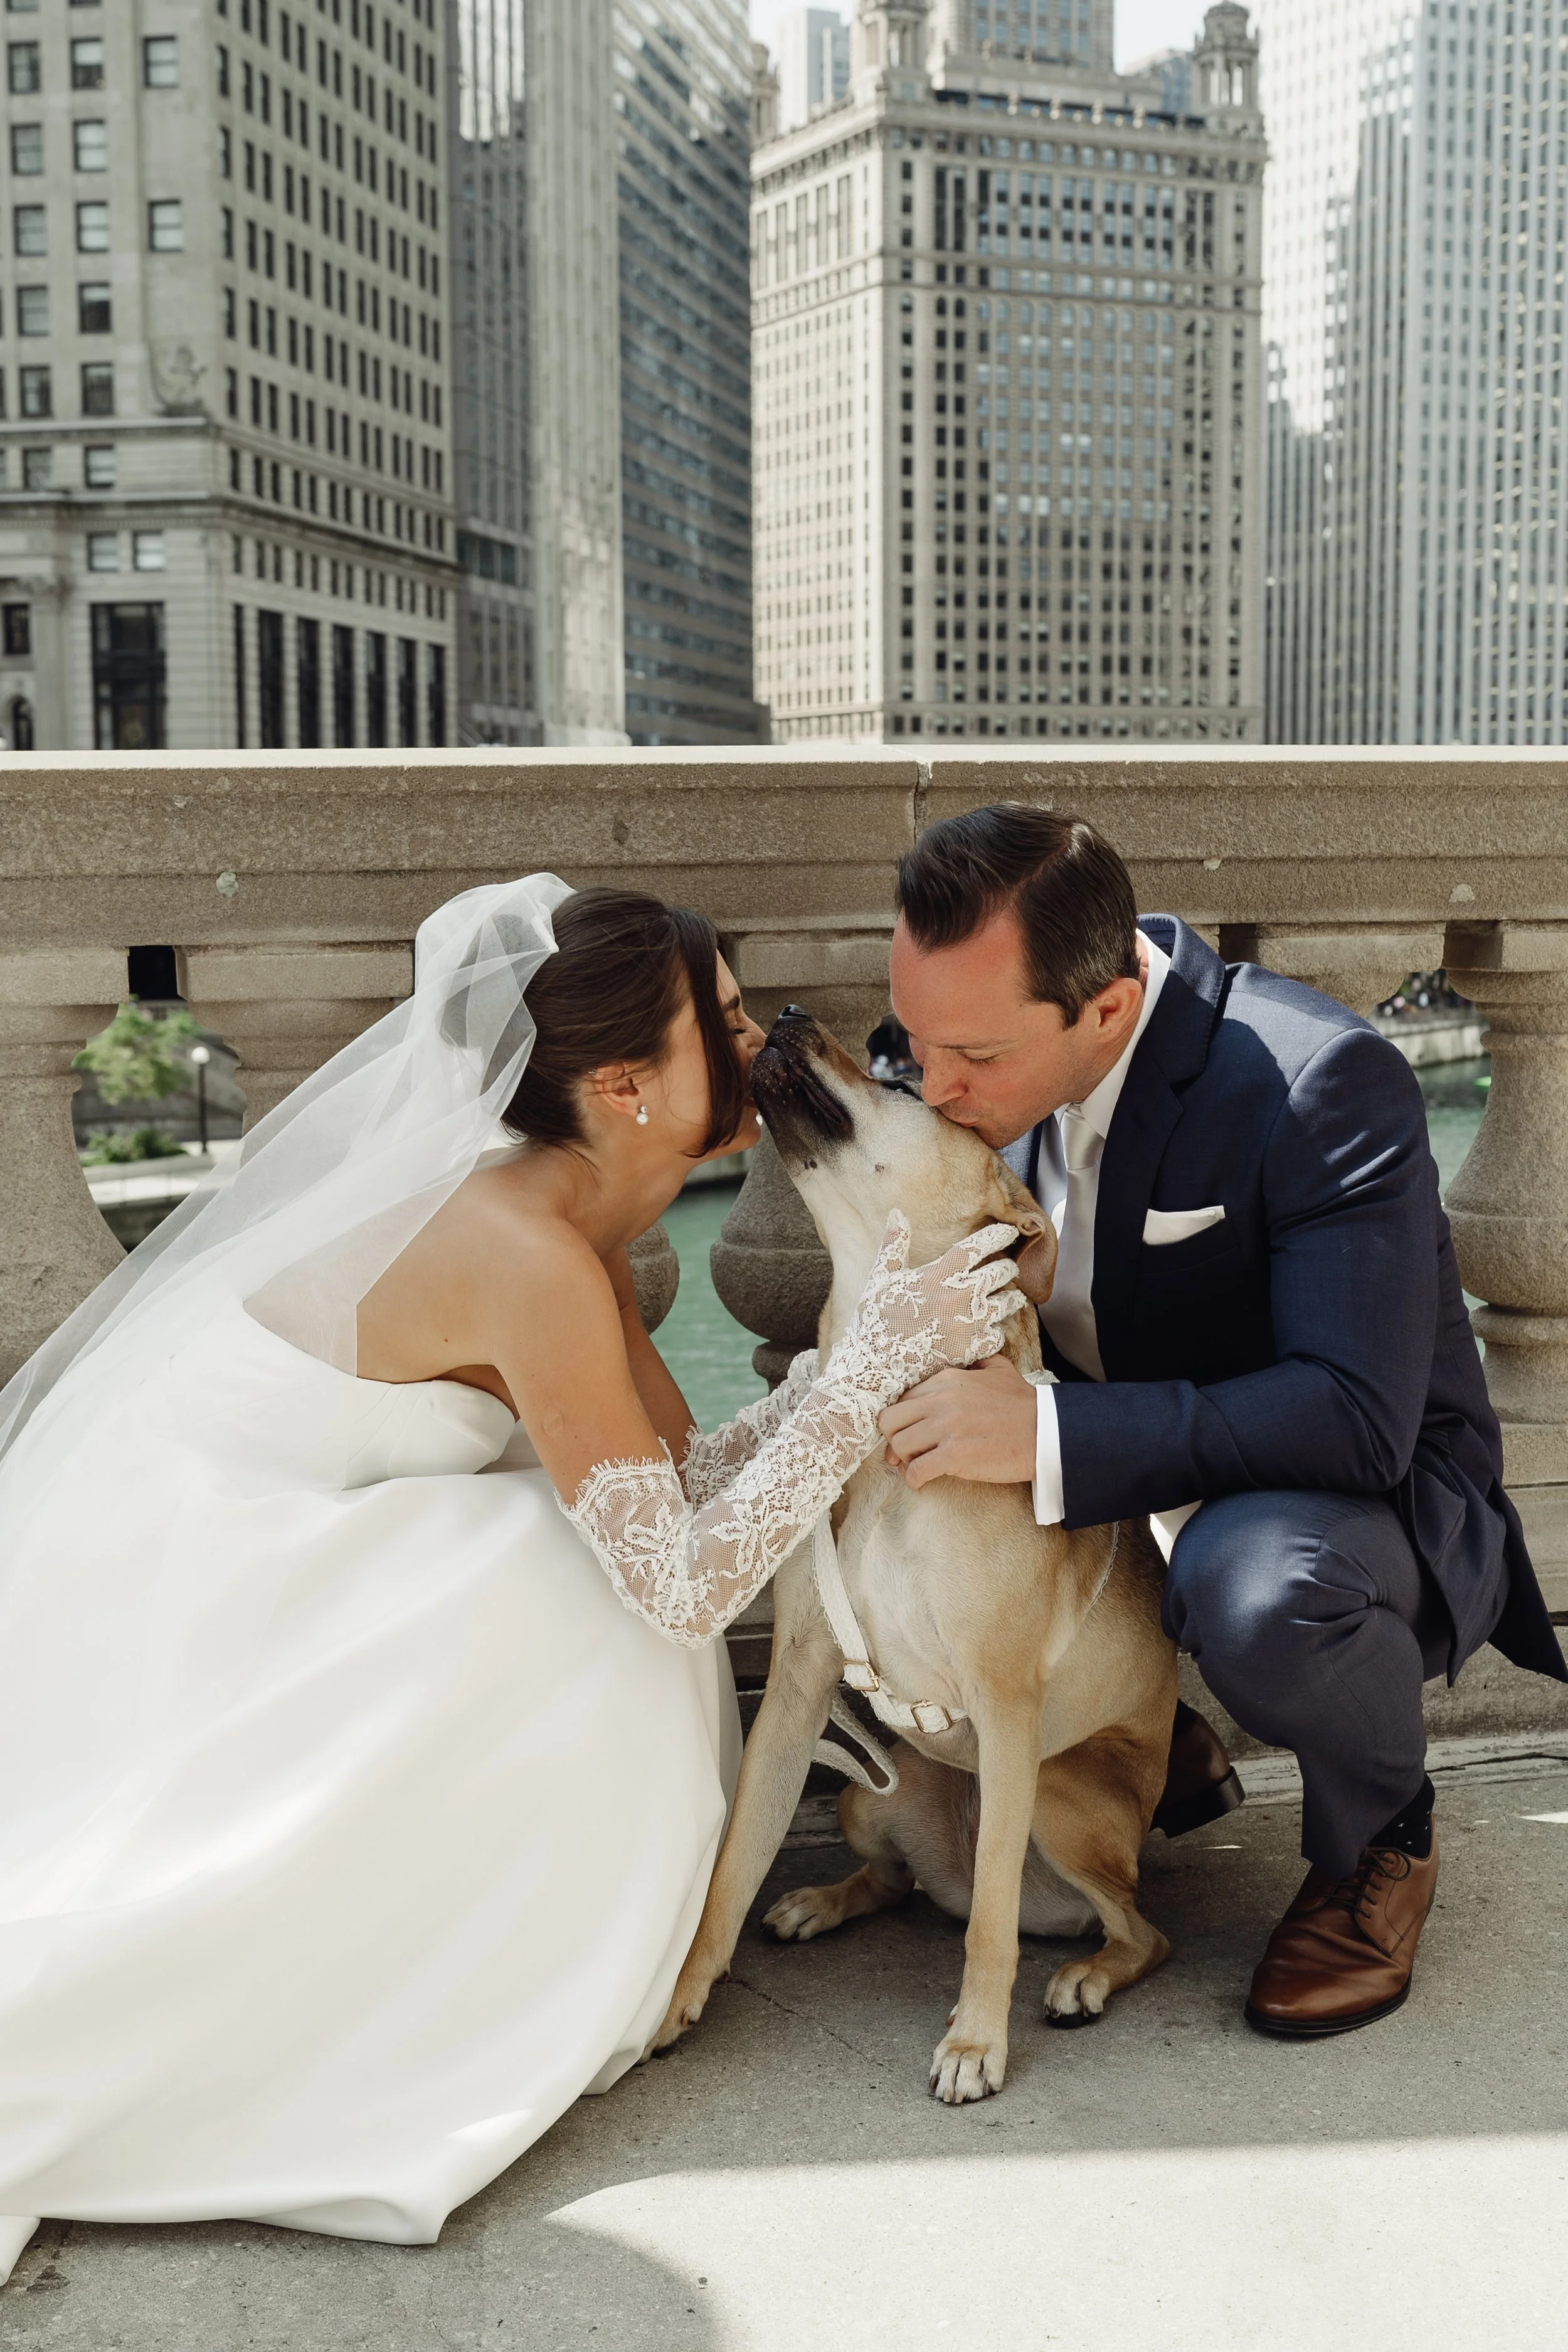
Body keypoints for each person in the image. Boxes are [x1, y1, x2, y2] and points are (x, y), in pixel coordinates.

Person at [0, 876, 1024, 2282]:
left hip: (294, 1514)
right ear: (622, 1083)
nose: (759, 1041)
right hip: (198, 1550)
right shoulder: (527, 1253)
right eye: (720, 1024)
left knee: (583, 1557)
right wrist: (855, 1380)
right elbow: (678, 1584)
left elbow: (691, 1469)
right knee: (558, 1588)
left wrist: (871, 1363)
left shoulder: (578, 1219)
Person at [876, 805, 1565, 2039]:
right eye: (915, 1040)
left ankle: (1381, 1839)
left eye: (969, 1056)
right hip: (1133, 1497)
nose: (932, 1089)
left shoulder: (1315, 1081)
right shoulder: (966, 1048)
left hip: (1354, 1498)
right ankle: (1156, 1736)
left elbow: (1352, 1419)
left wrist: (1038, 1437)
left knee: (1253, 1593)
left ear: (1103, 1011)